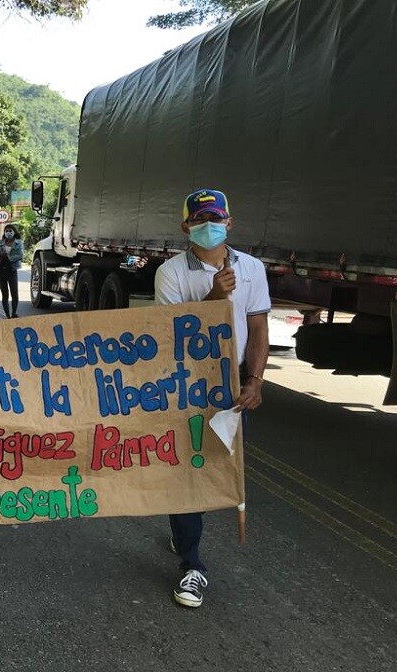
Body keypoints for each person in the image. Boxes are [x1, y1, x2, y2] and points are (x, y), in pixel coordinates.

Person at [154, 188, 270, 608]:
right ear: (186, 227)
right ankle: (192, 565)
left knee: (221, 463)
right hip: (184, 384)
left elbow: (258, 329)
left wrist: (255, 379)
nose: (208, 226)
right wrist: (213, 298)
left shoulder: (254, 270)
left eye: (215, 218)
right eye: (199, 220)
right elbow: (172, 334)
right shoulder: (170, 274)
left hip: (231, 382)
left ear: (230, 223)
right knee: (189, 470)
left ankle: (183, 535)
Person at [0, 225, 25, 318]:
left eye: (10, 230)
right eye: (6, 231)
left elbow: (20, 255)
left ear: (14, 232)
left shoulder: (19, 243)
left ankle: (14, 312)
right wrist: (0, 255)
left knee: (14, 293)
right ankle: (7, 315)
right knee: (4, 294)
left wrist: (9, 257)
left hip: (12, 270)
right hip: (0, 271)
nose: (8, 232)